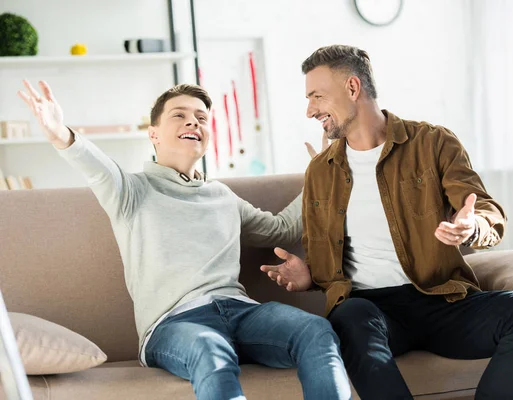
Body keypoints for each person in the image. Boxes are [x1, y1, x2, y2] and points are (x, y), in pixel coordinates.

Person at [18, 80, 351, 400]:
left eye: (201, 117)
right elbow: (96, 167)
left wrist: (320, 175)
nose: (192, 120)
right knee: (211, 349)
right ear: (154, 134)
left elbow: (281, 230)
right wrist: (60, 133)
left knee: (315, 331)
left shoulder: (222, 196)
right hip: (175, 324)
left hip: (242, 313)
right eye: (179, 114)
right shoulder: (132, 190)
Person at [260, 45, 513, 400]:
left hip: (442, 300)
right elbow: (328, 266)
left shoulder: (432, 143)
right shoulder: (321, 173)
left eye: (317, 96)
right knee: (351, 318)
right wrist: (310, 278)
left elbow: (486, 208)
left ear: (353, 88)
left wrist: (472, 225)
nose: (310, 110)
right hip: (371, 311)